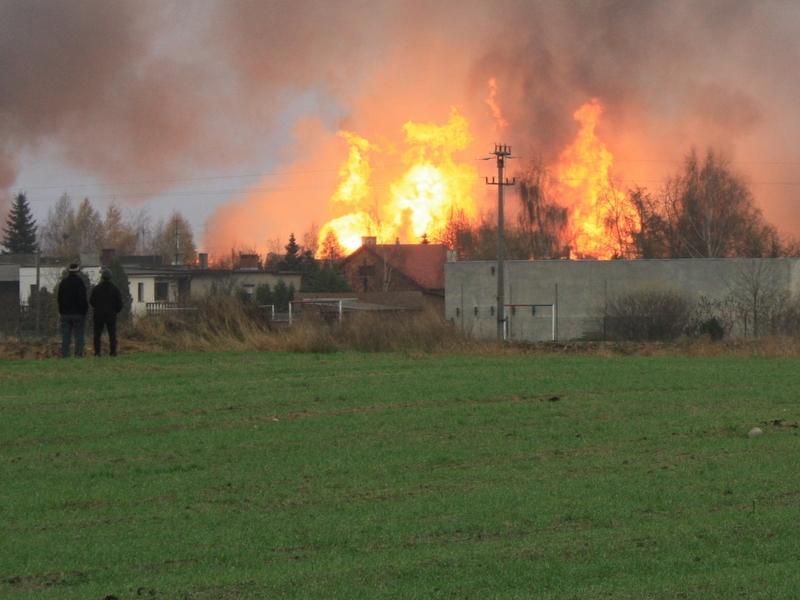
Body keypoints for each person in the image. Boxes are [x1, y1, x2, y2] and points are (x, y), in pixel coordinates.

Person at [90, 268, 124, 357]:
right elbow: (120, 304)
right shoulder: (115, 289)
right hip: (111, 315)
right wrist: (115, 311)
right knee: (112, 335)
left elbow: (91, 301)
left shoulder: (96, 289)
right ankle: (113, 352)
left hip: (98, 315)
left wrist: (97, 308)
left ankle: (97, 352)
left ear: (102, 277)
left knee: (97, 335)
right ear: (111, 277)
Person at [57, 262, 88, 358]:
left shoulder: (63, 282)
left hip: (66, 313)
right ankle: (78, 354)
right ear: (78, 271)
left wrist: (61, 311)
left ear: (68, 271)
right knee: (79, 335)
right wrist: (84, 311)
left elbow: (59, 298)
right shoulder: (80, 282)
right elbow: (83, 298)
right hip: (78, 313)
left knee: (66, 336)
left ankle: (65, 354)